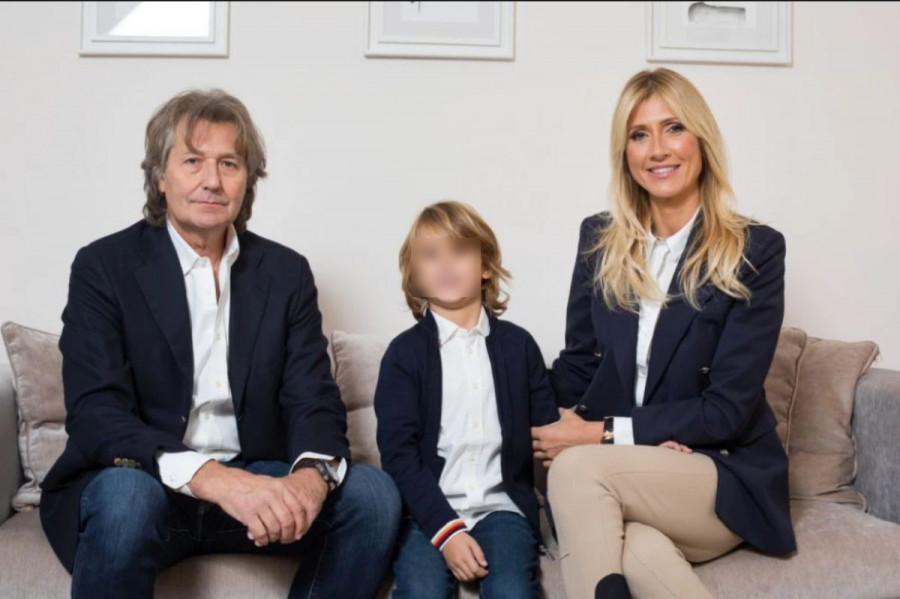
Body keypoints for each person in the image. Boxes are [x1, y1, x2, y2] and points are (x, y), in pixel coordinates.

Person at [40, 88, 401, 599]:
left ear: (247, 180)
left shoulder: (286, 273)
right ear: (160, 176)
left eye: (229, 164)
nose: (212, 180)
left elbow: (313, 400)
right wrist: (214, 479)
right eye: (193, 161)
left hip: (255, 482)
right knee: (126, 498)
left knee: (373, 495)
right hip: (149, 484)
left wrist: (309, 478)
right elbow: (97, 414)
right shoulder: (104, 266)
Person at [531, 68, 796, 599]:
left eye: (673, 128)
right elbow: (580, 365)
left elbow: (726, 411)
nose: (657, 149)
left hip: (717, 471)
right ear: (625, 153)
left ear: (701, 140)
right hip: (631, 473)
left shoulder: (755, 251)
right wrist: (502, 388)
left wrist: (603, 434)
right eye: (639, 134)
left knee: (578, 468)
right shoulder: (600, 240)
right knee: (637, 550)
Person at [375, 201, 560, 598]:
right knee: (422, 592)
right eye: (430, 254)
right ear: (415, 276)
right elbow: (399, 456)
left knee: (513, 591)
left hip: (502, 508)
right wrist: (447, 532)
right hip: (425, 513)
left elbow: (551, 434)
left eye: (459, 251)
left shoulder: (519, 347)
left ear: (486, 266)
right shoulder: (404, 355)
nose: (445, 264)